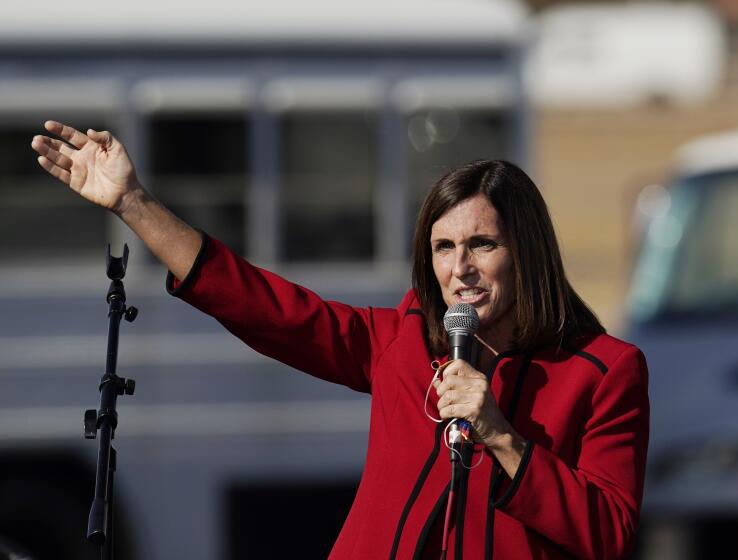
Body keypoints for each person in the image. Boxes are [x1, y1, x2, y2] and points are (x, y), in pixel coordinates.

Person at [31, 121, 649, 560]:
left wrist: (503, 437)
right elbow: (264, 307)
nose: (460, 267)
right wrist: (134, 203)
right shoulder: (403, 343)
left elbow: (609, 532)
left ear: (527, 253)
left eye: (482, 244)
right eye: (443, 248)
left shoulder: (604, 372)